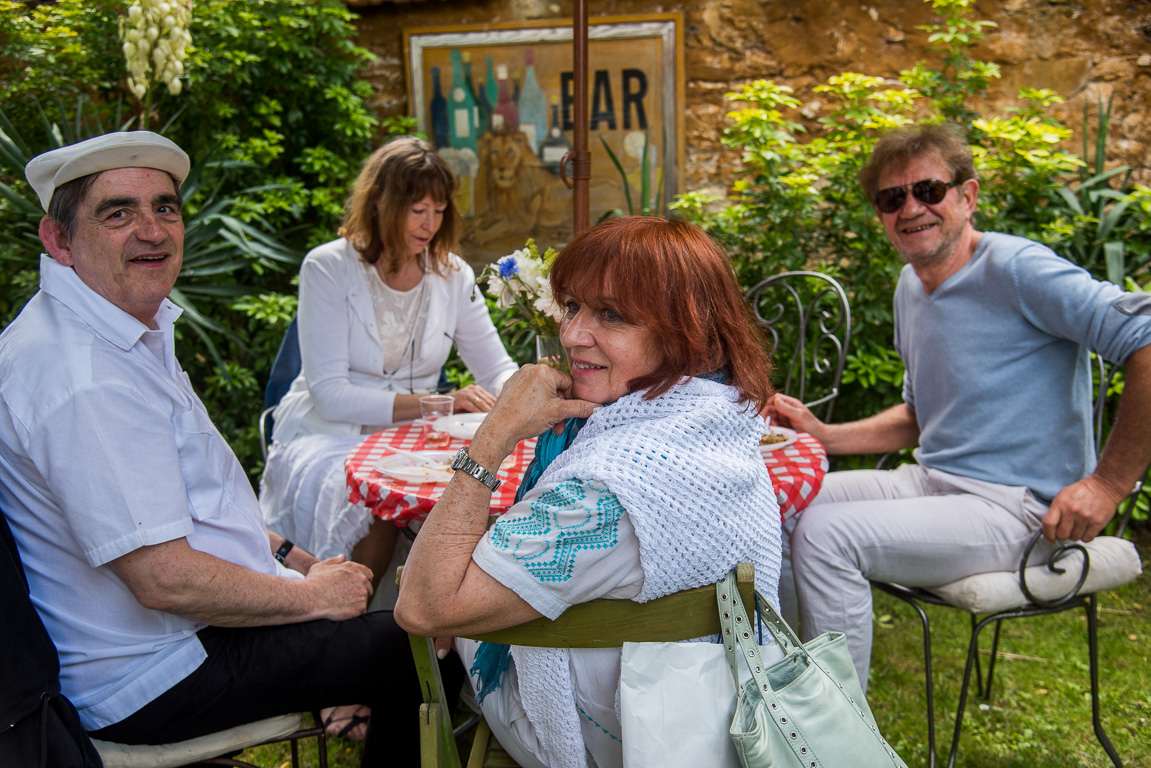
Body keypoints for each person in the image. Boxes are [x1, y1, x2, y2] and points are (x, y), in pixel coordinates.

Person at [0, 131, 435, 766]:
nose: (152, 230)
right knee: (417, 644)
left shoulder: (110, 326)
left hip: (167, 640)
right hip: (153, 674)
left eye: (165, 208)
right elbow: (163, 579)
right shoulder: (83, 377)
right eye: (117, 211)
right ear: (59, 240)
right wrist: (313, 597)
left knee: (388, 626)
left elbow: (195, 503)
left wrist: (291, 554)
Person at [768, 123, 1151, 691]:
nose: (912, 209)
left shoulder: (1017, 268)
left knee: (827, 534)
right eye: (893, 198)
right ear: (880, 214)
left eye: (929, 190)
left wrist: (1108, 484)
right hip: (938, 483)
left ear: (967, 197)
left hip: (1026, 510)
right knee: (774, 502)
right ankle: (793, 692)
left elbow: (1144, 335)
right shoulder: (909, 285)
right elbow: (920, 419)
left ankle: (834, 738)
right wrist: (823, 434)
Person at [395, 216, 783, 768]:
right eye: (572, 306)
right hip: (708, 714)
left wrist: (495, 433)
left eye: (612, 315)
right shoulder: (716, 419)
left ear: (685, 328)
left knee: (424, 580)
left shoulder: (607, 493)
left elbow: (423, 605)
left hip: (602, 739)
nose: (574, 333)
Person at [260, 136, 518, 594]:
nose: (431, 225)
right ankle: (348, 618)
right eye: (418, 210)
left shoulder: (452, 273)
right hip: (327, 433)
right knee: (378, 511)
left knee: (478, 492)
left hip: (416, 436)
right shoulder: (328, 268)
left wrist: (530, 391)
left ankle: (448, 629)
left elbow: (495, 366)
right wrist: (440, 402)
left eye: (439, 211)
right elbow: (331, 396)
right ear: (381, 202)